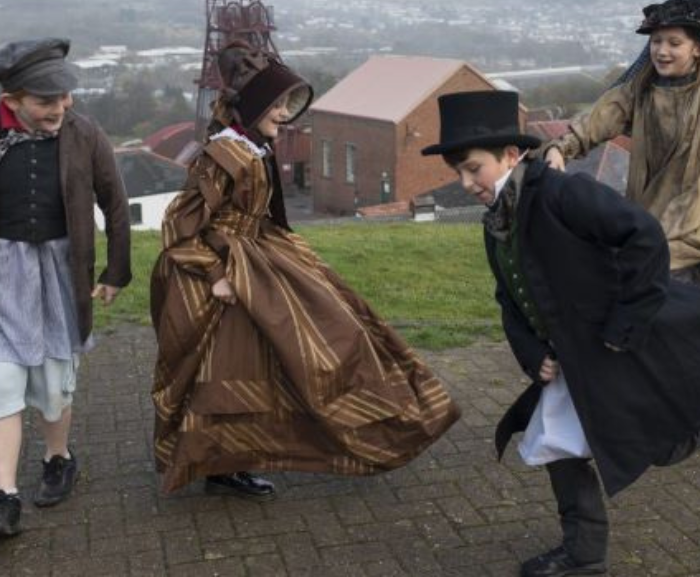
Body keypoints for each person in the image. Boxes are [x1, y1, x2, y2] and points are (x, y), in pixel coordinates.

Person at [150, 41, 460, 498]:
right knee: (227, 369)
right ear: (253, 106)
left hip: (260, 259)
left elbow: (260, 214)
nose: (285, 114)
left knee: (324, 336)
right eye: (276, 105)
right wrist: (216, 275)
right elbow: (180, 224)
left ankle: (238, 457)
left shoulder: (251, 146)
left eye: (286, 105)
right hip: (226, 273)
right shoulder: (223, 155)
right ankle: (219, 462)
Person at [422, 90, 700, 577]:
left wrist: (625, 322)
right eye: (458, 173)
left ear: (510, 154)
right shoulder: (497, 220)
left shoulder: (559, 193)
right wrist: (533, 354)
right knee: (555, 440)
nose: (466, 183)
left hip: (627, 342)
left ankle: (589, 548)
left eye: (472, 168)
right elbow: (509, 296)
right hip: (573, 355)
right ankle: (585, 554)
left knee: (662, 430)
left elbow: (644, 237)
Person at [0, 38, 132, 538]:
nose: (61, 106)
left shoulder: (83, 133)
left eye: (65, 96)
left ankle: (58, 457)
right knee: (4, 380)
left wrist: (115, 271)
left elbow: (115, 203)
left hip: (60, 268)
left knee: (55, 376)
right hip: (3, 270)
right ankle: (4, 494)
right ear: (12, 100)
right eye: (46, 100)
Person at [543, 0, 700, 284]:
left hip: (689, 235)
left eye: (674, 43)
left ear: (697, 49)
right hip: (653, 230)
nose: (662, 51)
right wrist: (559, 149)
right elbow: (599, 118)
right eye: (656, 41)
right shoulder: (640, 90)